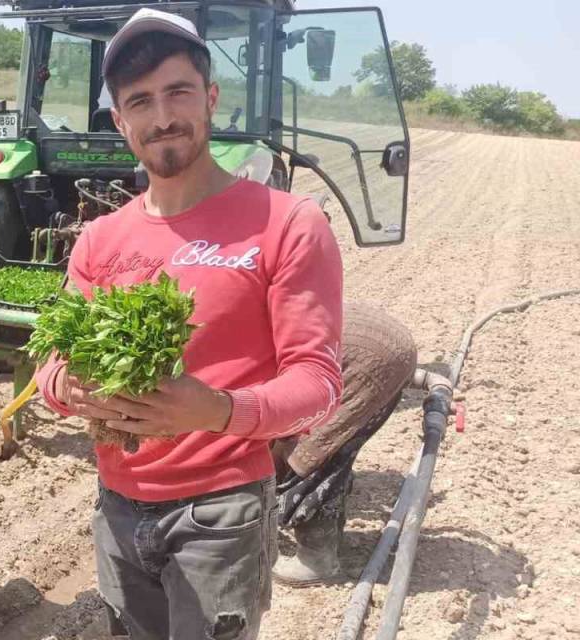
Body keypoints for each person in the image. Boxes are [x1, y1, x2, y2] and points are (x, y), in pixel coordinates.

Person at [32, 10, 344, 640]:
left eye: (178, 92)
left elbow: (318, 384)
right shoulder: (98, 239)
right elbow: (48, 368)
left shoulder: (285, 223)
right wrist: (69, 387)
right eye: (140, 101)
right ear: (120, 121)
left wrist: (216, 410)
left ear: (210, 98)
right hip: (117, 507)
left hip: (222, 513)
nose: (162, 116)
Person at [271, 303, 417, 585]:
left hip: (365, 356)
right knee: (336, 450)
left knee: (309, 458)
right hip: (380, 345)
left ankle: (316, 560)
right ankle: (329, 538)